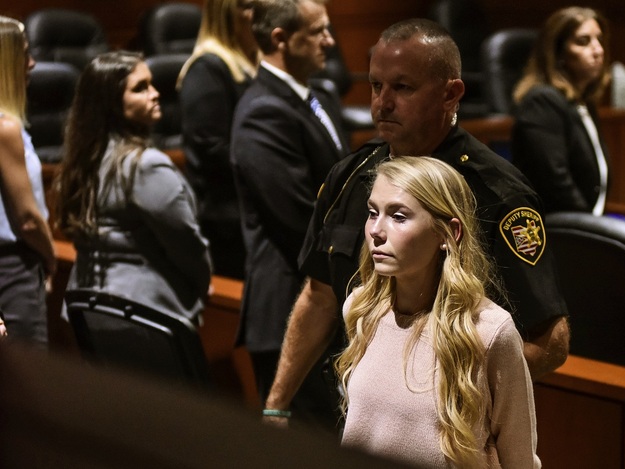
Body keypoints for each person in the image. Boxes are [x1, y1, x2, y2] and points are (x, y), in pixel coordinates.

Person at [264, 18, 570, 423]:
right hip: (346, 410)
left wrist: (440, 391)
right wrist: (276, 403)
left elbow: (550, 341)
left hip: (443, 426)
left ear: (451, 94)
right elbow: (319, 296)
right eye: (376, 86)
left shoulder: (497, 195)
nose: (382, 103)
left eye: (402, 87)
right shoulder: (351, 175)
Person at [337, 156, 540, 468]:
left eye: (399, 217)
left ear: (448, 234)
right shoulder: (361, 309)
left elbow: (520, 460)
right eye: (372, 213)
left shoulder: (488, 331)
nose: (376, 231)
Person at [230, 0, 348, 428]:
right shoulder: (263, 110)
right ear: (280, 38)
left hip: (323, 300)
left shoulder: (314, 95)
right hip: (287, 311)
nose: (329, 41)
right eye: (318, 31)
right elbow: (299, 220)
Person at [56, 51, 211, 323]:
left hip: (89, 308)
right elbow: (186, 245)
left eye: (151, 84)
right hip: (144, 313)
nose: (155, 94)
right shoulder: (146, 166)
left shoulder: (83, 159)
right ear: (111, 103)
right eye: (140, 89)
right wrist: (200, 286)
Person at [178, 0, 259, 280]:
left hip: (251, 209)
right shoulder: (207, 68)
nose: (258, 13)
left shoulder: (252, 62)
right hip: (226, 220)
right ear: (225, 14)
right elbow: (211, 149)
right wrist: (269, 164)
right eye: (248, 6)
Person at [512, 7, 611, 214]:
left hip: (584, 222)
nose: (598, 50)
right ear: (558, 53)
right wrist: (590, 227)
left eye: (599, 40)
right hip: (557, 229)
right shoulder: (542, 102)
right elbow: (556, 184)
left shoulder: (582, 102)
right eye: (583, 42)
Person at [0, 15, 56, 347]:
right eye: (24, 54)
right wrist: (50, 258)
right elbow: (28, 220)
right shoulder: (5, 129)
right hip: (14, 268)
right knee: (26, 386)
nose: (32, 63)